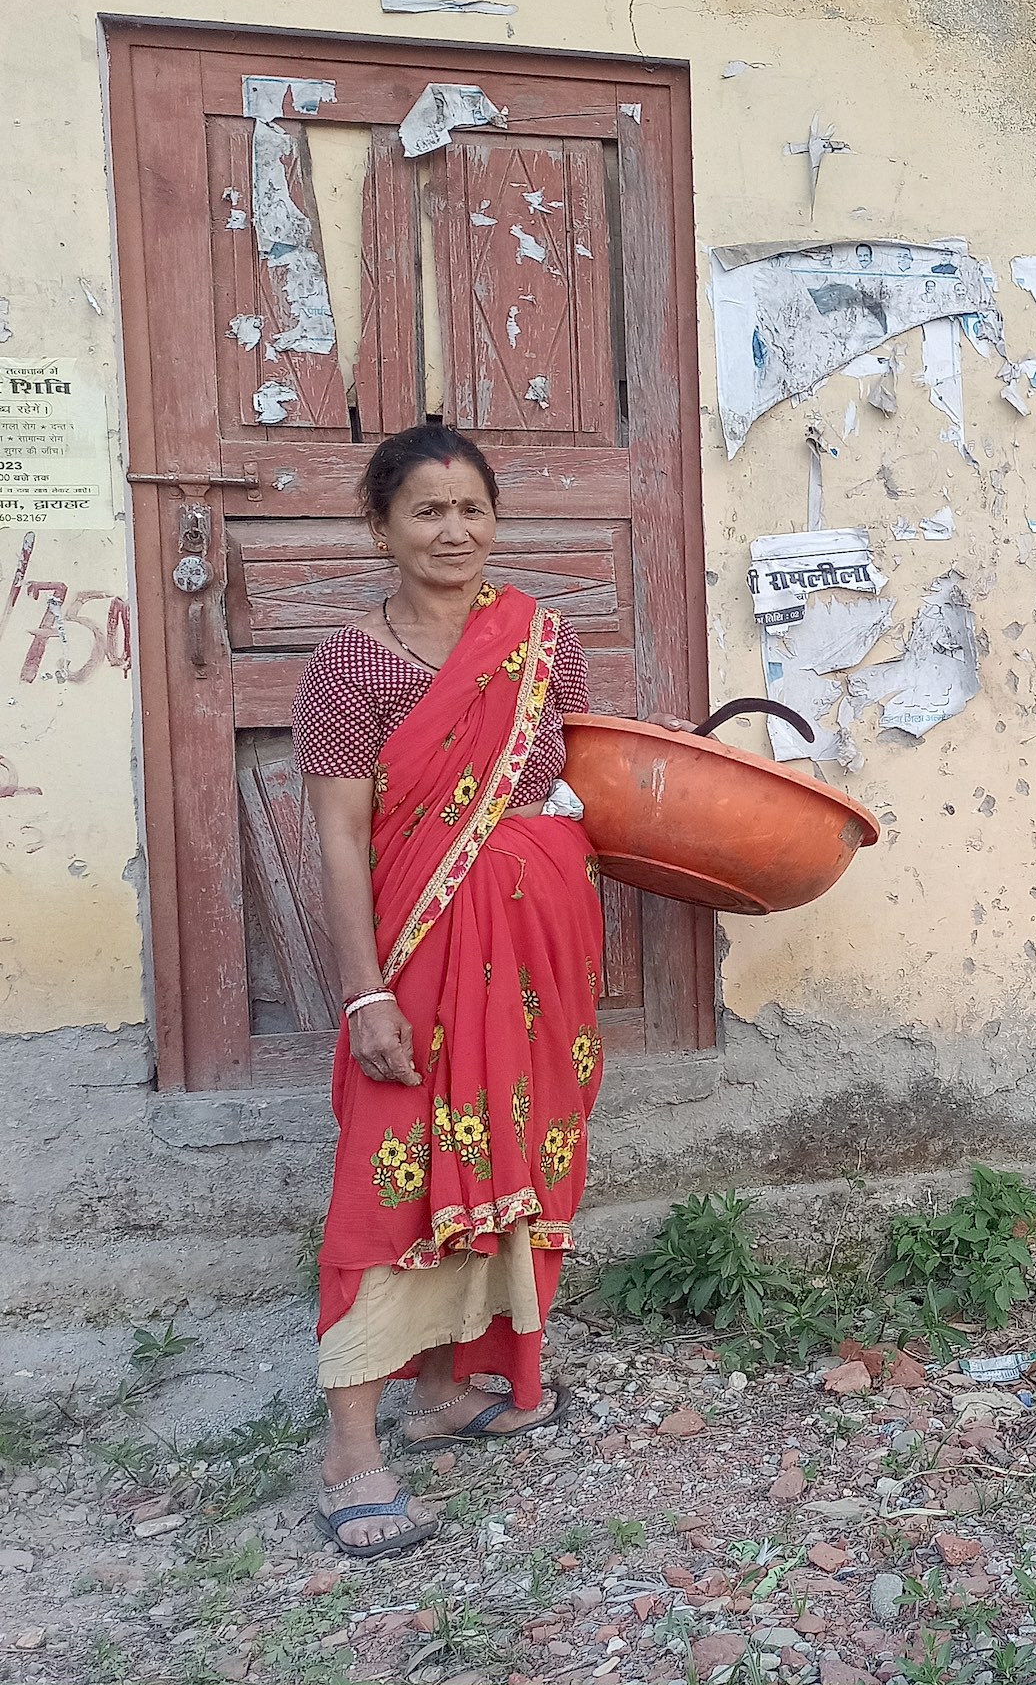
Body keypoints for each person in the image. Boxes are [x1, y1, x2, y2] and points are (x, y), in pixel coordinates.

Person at [293, 423, 678, 1558]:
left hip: (537, 958)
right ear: (381, 527)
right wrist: (365, 997)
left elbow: (574, 779)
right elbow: (339, 841)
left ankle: (450, 1392)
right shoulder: (349, 668)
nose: (453, 532)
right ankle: (350, 1446)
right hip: (417, 959)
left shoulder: (540, 641)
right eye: (426, 512)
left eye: (472, 509)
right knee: (392, 1172)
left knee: (514, 1153)